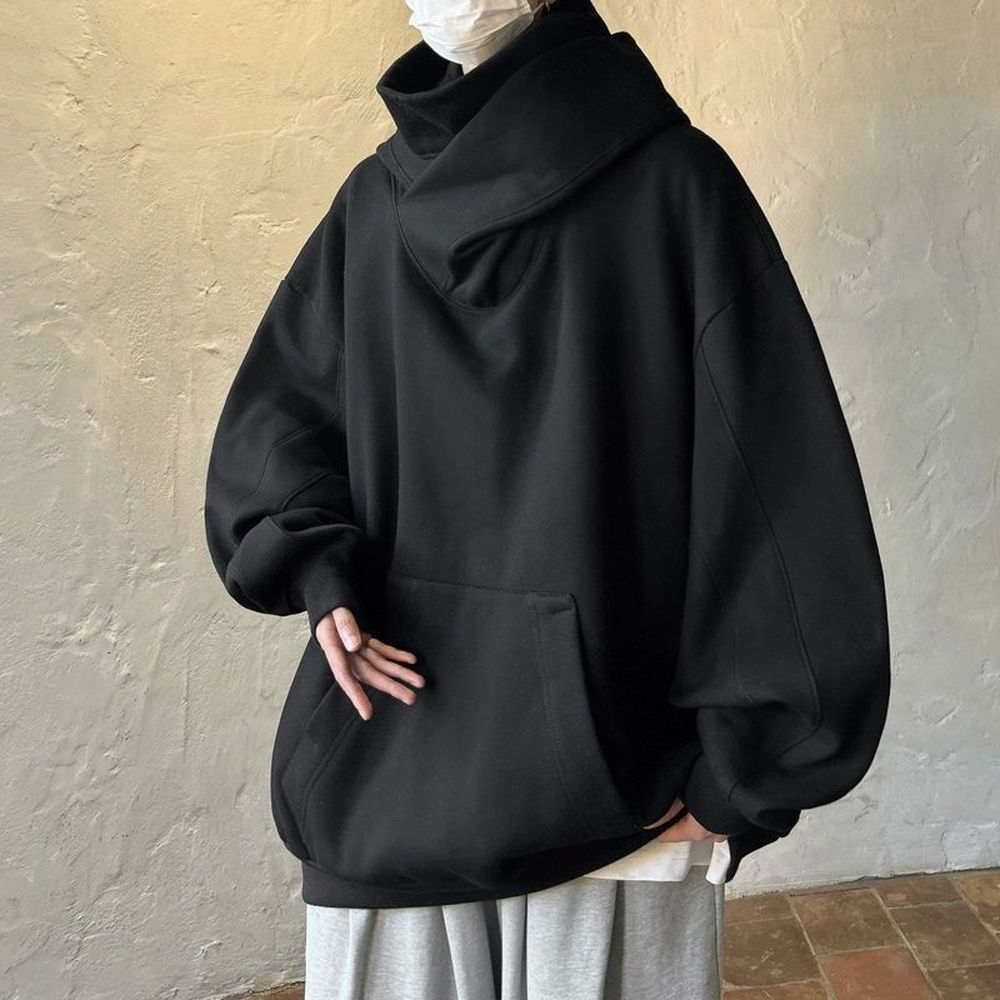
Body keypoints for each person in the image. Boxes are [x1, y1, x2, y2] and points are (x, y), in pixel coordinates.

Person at [202, 0, 891, 996]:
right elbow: (278, 431)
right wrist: (317, 570)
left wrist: (737, 781)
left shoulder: (673, 191)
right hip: (429, 776)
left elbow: (773, 487)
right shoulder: (373, 209)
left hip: (590, 808)